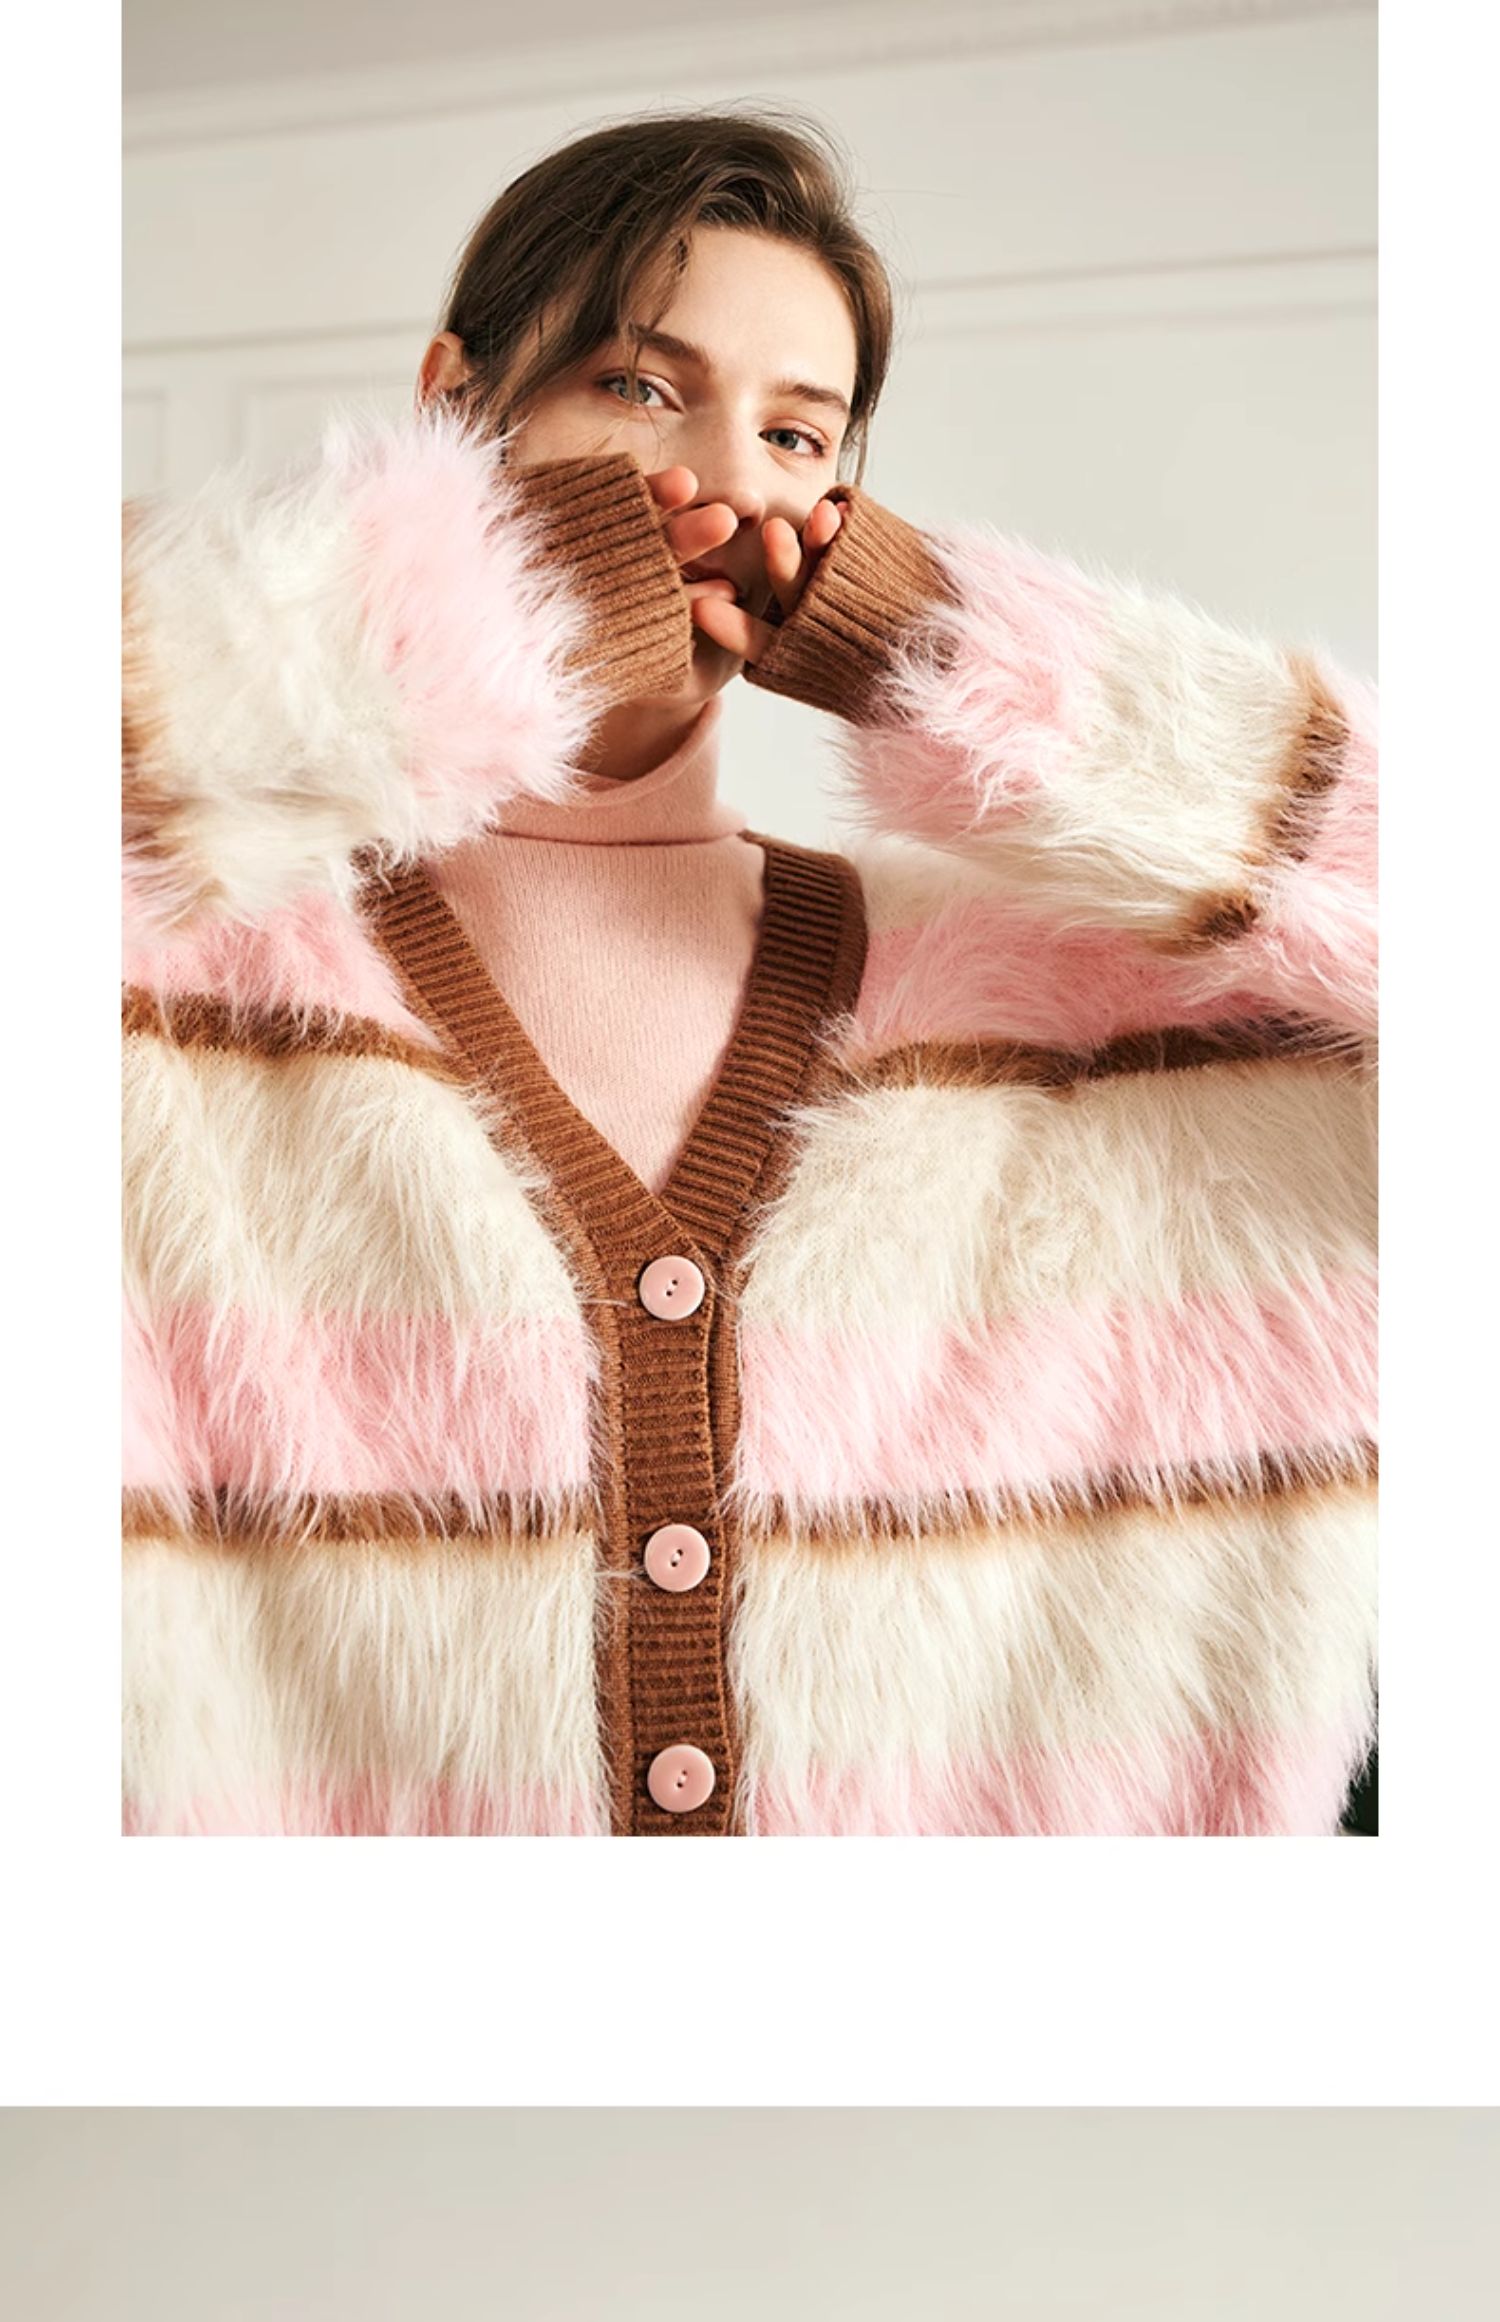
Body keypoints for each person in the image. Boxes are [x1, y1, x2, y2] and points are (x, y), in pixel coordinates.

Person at [122, 106, 1377, 1837]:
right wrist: (434, 622)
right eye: (643, 388)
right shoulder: (170, 989)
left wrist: (959, 657)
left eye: (797, 433)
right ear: (455, 404)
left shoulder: (1062, 1024)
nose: (722, 483)